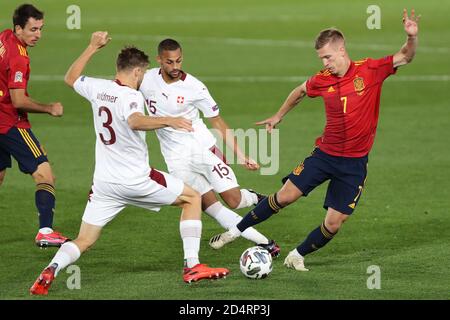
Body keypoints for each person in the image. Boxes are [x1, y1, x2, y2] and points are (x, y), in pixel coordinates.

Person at [209, 9, 420, 271]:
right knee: (285, 196)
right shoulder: (323, 80)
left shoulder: (370, 70)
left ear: (342, 50)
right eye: (322, 59)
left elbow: (406, 56)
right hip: (324, 155)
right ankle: (235, 230)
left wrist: (411, 37)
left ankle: (297, 254)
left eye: (328, 57)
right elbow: (299, 91)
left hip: (354, 164)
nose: (325, 64)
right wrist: (278, 115)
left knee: (334, 222)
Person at [30, 32, 229, 295]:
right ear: (136, 72)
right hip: (136, 180)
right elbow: (136, 121)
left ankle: (51, 269)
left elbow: (70, 78)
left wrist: (91, 47)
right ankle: (192, 265)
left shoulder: (99, 88)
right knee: (192, 197)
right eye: (143, 74)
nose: (144, 78)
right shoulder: (131, 96)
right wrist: (169, 119)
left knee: (85, 239)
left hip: (104, 184)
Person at [139, 39, 280, 257]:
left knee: (234, 201)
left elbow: (217, 122)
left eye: (179, 61)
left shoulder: (194, 87)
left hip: (203, 150)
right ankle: (266, 244)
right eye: (170, 62)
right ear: (159, 60)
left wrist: (241, 155)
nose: (175, 67)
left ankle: (252, 197)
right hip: (175, 159)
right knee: (210, 208)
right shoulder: (146, 80)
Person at [0, 4, 69, 247]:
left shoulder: (4, 37)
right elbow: (18, 100)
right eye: (33, 29)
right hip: (10, 123)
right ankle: (46, 231)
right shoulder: (18, 57)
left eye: (40, 29)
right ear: (18, 28)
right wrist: (49, 108)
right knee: (44, 173)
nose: (38, 34)